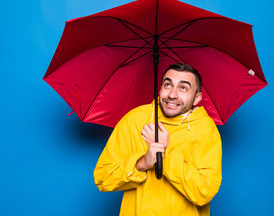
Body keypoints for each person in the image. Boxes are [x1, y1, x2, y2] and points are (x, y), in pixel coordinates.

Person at [94, 63, 222, 215]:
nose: (172, 94)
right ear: (160, 88)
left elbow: (205, 191)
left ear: (197, 98)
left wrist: (165, 155)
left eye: (183, 88)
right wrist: (141, 164)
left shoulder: (205, 130)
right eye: (167, 85)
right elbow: (102, 178)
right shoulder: (134, 120)